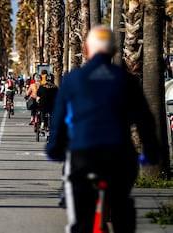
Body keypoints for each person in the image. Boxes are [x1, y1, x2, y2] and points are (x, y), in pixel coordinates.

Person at [47, 25, 159, 233]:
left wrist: (54, 148)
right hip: (119, 156)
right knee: (121, 204)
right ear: (115, 52)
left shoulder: (72, 79)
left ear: (86, 50)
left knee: (80, 220)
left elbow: (58, 119)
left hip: (83, 155)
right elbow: (145, 119)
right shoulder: (127, 80)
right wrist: (151, 151)